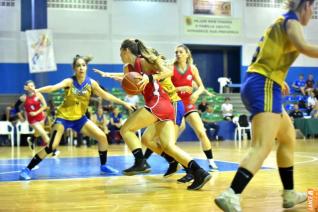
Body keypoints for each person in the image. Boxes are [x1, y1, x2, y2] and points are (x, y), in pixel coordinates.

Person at [215, 1, 318, 210]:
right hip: (264, 85)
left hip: (262, 83)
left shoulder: (281, 22)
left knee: (288, 136)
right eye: (313, 9)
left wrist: (280, 79)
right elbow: (304, 47)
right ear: (306, 5)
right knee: (262, 145)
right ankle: (231, 194)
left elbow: (271, 56)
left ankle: (289, 194)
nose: (312, 14)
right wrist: (274, 80)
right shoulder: (292, 22)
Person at [95, 39, 211, 190]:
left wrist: (149, 78)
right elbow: (129, 81)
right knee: (167, 146)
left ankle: (140, 162)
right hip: (164, 106)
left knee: (126, 129)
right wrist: (112, 76)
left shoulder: (143, 61)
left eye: (120, 52)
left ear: (126, 51)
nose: (120, 55)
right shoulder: (128, 67)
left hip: (160, 102)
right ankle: (199, 172)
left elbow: (168, 71)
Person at [19, 55, 135, 180]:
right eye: (78, 65)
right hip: (63, 118)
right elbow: (53, 88)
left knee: (102, 137)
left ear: (86, 67)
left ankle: (103, 166)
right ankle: (27, 169)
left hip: (80, 119)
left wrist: (124, 103)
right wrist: (37, 90)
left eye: (83, 65)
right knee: (51, 146)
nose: (81, 68)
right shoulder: (69, 81)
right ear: (74, 68)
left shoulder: (91, 83)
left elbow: (106, 95)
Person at [171, 44, 218, 183]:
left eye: (180, 52)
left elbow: (201, 86)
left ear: (187, 54)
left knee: (201, 132)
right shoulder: (170, 68)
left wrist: (197, 93)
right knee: (172, 140)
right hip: (176, 104)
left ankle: (211, 161)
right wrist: (181, 87)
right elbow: (166, 87)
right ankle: (181, 164)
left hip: (189, 104)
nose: (178, 54)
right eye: (176, 52)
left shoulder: (192, 68)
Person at [14, 80, 59, 156]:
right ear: (26, 88)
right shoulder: (24, 97)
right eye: (29, 86)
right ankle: (53, 150)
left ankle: (32, 139)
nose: (31, 87)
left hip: (41, 117)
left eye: (32, 86)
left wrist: (36, 112)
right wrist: (20, 116)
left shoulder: (39, 95)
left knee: (38, 133)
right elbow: (16, 106)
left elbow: (45, 106)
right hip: (32, 120)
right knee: (43, 133)